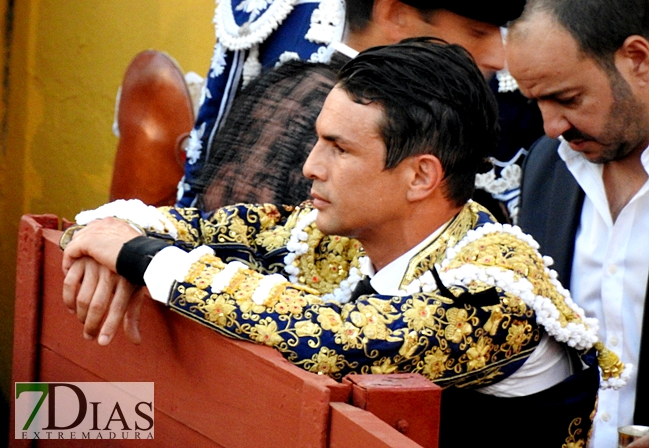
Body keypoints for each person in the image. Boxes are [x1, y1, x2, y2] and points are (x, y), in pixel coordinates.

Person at [62, 38, 622, 447]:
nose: (310, 167)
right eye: (317, 142)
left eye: (339, 149)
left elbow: (333, 340)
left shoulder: (492, 294)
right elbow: (194, 228)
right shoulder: (351, 232)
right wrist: (107, 234)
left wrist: (136, 255)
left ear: (421, 177)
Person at [188, 0, 533, 216]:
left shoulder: (286, 92)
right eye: (476, 32)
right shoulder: (366, 125)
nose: (497, 58)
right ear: (394, 13)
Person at [506, 0, 649, 446]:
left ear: (638, 58)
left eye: (567, 97)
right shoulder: (549, 166)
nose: (551, 127)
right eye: (535, 103)